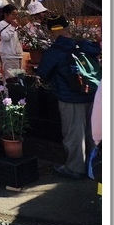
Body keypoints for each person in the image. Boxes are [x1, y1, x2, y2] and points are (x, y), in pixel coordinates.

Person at [35, 16, 100, 180]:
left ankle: (75, 168)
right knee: (93, 134)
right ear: (68, 28)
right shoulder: (85, 46)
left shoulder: (55, 51)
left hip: (70, 98)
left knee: (74, 135)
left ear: (51, 32)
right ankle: (94, 168)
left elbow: (43, 73)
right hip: (93, 95)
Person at [0, 4, 23, 81]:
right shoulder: (1, 24)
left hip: (18, 55)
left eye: (16, 15)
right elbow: (5, 37)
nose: (15, 17)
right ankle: (8, 93)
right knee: (10, 79)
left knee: (18, 78)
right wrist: (12, 27)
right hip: (9, 56)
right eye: (13, 15)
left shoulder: (14, 25)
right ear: (5, 14)